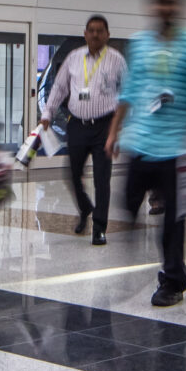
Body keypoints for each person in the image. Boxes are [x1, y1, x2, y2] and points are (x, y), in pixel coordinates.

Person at [112, 0, 186, 309]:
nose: (164, 8)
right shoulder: (140, 44)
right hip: (141, 141)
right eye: (159, 3)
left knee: (173, 219)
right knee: (128, 201)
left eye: (170, 3)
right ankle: (159, 267)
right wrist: (114, 133)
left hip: (178, 146)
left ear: (178, 7)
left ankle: (172, 280)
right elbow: (128, 92)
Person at [44, 14, 127, 242]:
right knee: (71, 173)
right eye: (91, 30)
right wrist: (47, 114)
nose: (95, 34)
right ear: (85, 34)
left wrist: (118, 129)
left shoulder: (116, 60)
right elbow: (59, 88)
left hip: (104, 126)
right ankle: (84, 208)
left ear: (108, 35)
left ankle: (99, 227)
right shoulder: (73, 58)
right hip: (77, 125)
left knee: (102, 179)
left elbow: (127, 94)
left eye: (100, 31)